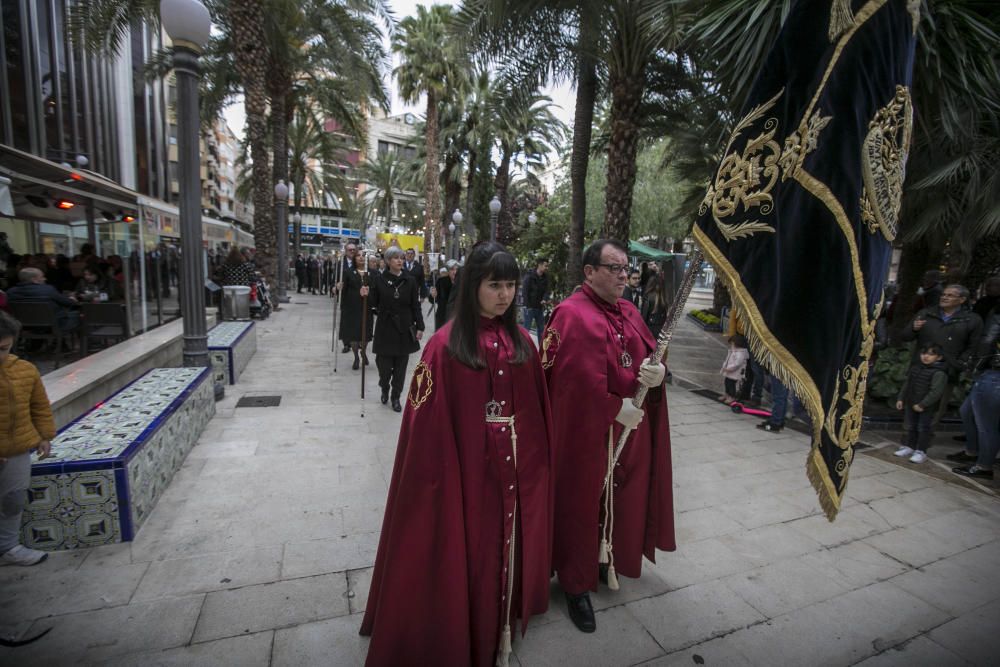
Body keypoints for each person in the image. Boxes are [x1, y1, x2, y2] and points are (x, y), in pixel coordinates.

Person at [360, 242, 553, 667]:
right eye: (493, 285)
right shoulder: (443, 348)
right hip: (463, 478)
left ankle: (500, 620)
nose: (504, 295)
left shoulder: (524, 343)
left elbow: (538, 417)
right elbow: (423, 432)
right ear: (471, 287)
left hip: (513, 475)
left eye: (510, 285)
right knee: (468, 556)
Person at [542, 239, 674, 634]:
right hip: (587, 434)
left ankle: (607, 557)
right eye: (614, 268)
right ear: (589, 272)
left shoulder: (630, 311)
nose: (624, 274)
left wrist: (659, 373)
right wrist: (614, 407)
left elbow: (649, 357)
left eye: (625, 267)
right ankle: (574, 583)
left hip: (630, 432)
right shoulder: (569, 315)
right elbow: (567, 383)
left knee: (619, 497)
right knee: (580, 505)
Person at [0, 311, 55, 565]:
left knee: (14, 498)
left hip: (18, 450)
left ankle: (8, 547)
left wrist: (44, 436)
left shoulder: (25, 370)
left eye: (3, 349)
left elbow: (39, 407)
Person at [900, 284, 983, 422]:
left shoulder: (972, 319)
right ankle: (908, 439)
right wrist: (914, 328)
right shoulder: (926, 313)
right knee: (911, 405)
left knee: (935, 408)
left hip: (946, 370)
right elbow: (905, 336)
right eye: (943, 294)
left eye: (950, 295)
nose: (944, 297)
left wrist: (959, 363)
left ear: (962, 299)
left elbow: (973, 346)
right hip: (920, 368)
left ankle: (925, 439)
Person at [361, 247, 424, 412]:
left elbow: (415, 305)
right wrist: (366, 294)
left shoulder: (409, 281)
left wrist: (420, 326)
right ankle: (384, 387)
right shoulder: (379, 280)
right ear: (388, 261)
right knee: (384, 366)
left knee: (401, 368)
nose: (400, 260)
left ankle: (396, 396)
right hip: (385, 328)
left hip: (404, 328)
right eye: (395, 258)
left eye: (401, 258)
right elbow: (373, 303)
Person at [951, 308, 1000, 479]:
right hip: (991, 373)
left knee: (987, 425)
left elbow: (987, 342)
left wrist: (974, 368)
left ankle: (984, 466)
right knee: (967, 411)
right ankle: (972, 452)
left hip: (994, 374)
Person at [893, 343, 948, 464]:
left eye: (931, 354)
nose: (926, 356)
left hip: (926, 407)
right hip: (911, 403)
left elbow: (936, 392)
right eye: (924, 353)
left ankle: (921, 451)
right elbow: (907, 384)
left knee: (923, 428)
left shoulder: (939, 373)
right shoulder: (916, 368)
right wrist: (901, 398)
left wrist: (923, 404)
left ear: (939, 357)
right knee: (911, 426)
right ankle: (909, 447)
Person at [6, 267, 80, 331]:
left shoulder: (11, 292)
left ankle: (39, 344)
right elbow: (68, 303)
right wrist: (72, 299)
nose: (45, 279)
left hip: (25, 327)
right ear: (34, 279)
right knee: (78, 315)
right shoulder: (48, 289)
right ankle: (65, 344)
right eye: (42, 277)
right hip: (51, 326)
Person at [339, 253, 374, 370]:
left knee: (366, 334)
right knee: (353, 335)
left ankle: (363, 351)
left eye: (363, 255)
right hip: (352, 308)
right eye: (358, 255)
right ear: (354, 259)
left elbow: (376, 290)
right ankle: (356, 357)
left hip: (366, 308)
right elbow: (344, 290)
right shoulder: (348, 272)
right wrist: (337, 289)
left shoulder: (371, 273)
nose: (361, 257)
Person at [522, 257, 549, 345]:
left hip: (539, 308)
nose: (546, 268)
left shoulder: (545, 278)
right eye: (545, 266)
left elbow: (546, 291)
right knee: (526, 329)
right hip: (529, 308)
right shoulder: (529, 276)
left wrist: (544, 299)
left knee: (541, 329)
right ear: (540, 265)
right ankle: (523, 349)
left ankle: (541, 351)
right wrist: (526, 306)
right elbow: (524, 291)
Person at [720, 334, 749, 404]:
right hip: (730, 371)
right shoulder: (734, 351)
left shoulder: (741, 353)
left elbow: (737, 364)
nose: (731, 346)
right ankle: (727, 394)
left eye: (732, 344)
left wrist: (729, 368)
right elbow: (728, 360)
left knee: (731, 384)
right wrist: (725, 366)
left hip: (735, 372)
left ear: (737, 344)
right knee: (727, 382)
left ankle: (732, 396)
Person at [429, 260, 458, 331]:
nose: (455, 272)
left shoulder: (463, 283)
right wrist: (433, 296)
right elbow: (432, 300)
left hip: (457, 318)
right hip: (442, 317)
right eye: (452, 269)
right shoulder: (441, 282)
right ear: (448, 271)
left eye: (457, 269)